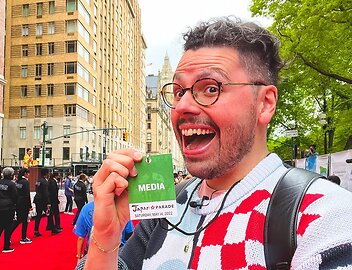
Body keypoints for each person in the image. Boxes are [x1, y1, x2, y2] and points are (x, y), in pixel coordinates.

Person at [80, 18, 352, 270]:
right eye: (177, 92)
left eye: (211, 88)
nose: (182, 106)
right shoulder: (168, 203)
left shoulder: (328, 215)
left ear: (265, 103)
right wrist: (105, 236)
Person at [0, 167, 18, 253]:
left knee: (1, 225)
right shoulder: (11, 184)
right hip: (8, 206)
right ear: (11, 175)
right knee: (8, 226)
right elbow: (15, 196)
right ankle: (6, 246)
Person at [11, 168, 32, 244]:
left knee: (19, 220)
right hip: (24, 203)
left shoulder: (17, 182)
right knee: (24, 221)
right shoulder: (25, 182)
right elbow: (27, 194)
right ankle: (23, 237)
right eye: (28, 173)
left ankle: (9, 234)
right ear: (25, 173)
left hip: (18, 203)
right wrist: (29, 205)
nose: (29, 175)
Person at [33, 168, 51, 237]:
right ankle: (51, 227)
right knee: (49, 213)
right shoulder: (44, 182)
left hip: (37, 198)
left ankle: (36, 230)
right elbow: (46, 193)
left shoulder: (38, 181)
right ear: (46, 174)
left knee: (38, 215)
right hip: (42, 200)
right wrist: (48, 202)